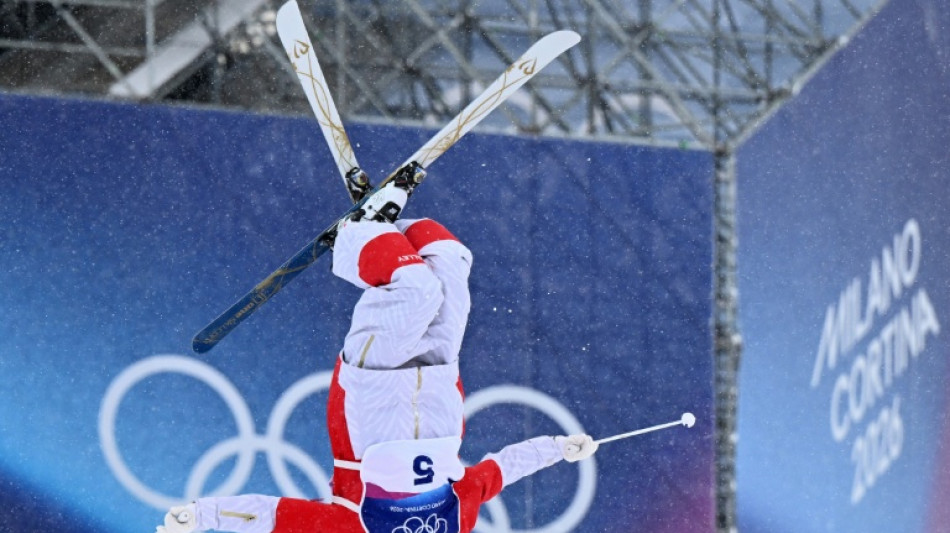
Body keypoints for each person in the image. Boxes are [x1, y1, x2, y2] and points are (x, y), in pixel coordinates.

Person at [157, 166, 598, 533]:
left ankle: (355, 237)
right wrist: (560, 448)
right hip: (439, 378)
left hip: (371, 393)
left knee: (415, 290)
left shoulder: (356, 529)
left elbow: (275, 516)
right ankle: (380, 224)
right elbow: (499, 471)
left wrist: (202, 516)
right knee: (449, 260)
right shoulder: (458, 519)